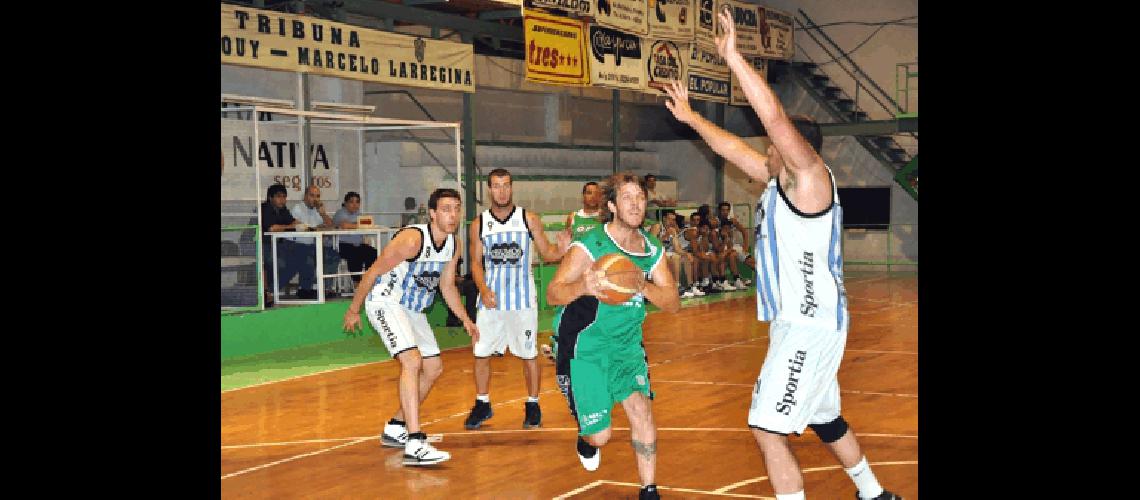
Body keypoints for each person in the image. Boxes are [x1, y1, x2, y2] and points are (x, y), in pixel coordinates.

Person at [660, 8, 903, 500]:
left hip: (807, 326)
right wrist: (692, 118)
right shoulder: (780, 184)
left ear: (790, 148)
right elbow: (733, 150)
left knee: (766, 428)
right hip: (807, 324)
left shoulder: (809, 178)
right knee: (825, 417)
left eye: (772, 145)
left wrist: (734, 58)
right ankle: (874, 494)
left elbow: (771, 115)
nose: (764, 148)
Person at [547, 172, 680, 500]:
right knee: (601, 437)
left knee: (642, 411)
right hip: (587, 346)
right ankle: (586, 438)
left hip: (627, 346)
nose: (636, 204)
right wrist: (583, 286)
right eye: (628, 198)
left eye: (640, 198)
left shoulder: (651, 249)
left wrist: (641, 283)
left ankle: (649, 490)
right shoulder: (591, 243)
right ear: (612, 205)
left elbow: (673, 302)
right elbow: (553, 293)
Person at [342, 188, 478, 466]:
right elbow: (373, 272)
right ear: (432, 213)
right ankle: (415, 441)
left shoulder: (454, 243)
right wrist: (354, 309)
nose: (452, 215)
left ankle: (395, 427)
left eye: (456, 208)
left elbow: (447, 285)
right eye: (446, 209)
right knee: (412, 361)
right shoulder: (412, 239)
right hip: (386, 301)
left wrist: (465, 319)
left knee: (433, 367)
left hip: (413, 309)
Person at [465, 168, 572, 430]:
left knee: (528, 354)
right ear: (489, 190)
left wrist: (563, 248)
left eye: (506, 185)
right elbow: (476, 264)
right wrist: (482, 288)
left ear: (512, 188)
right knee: (481, 353)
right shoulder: (479, 224)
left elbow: (547, 253)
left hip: (522, 300)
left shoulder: (529, 219)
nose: (502, 191)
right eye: (496, 186)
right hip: (491, 301)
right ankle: (482, 403)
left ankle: (533, 404)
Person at [289, 185, 339, 299]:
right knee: (308, 256)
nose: (315, 199)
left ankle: (326, 288)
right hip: (297, 244)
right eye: (312, 195)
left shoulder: (318, 210)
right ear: (305, 196)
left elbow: (331, 226)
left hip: (315, 244)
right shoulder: (298, 208)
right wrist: (317, 227)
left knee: (333, 255)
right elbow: (299, 226)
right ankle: (305, 288)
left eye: (318, 196)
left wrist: (323, 214)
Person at [260, 184, 302, 306]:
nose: (282, 200)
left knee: (296, 261)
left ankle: (270, 292)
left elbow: (294, 222)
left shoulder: (283, 209)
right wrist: (291, 226)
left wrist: (297, 224)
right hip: (259, 245)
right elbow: (272, 228)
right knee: (277, 262)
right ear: (270, 197)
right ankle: (265, 293)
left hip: (276, 245)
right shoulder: (265, 208)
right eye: (279, 197)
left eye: (284, 197)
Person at [649, 211, 701, 298]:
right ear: (664, 218)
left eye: (673, 220)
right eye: (670, 219)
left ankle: (689, 286)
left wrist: (686, 253)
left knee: (686, 257)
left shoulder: (672, 230)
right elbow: (651, 245)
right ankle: (677, 287)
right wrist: (665, 236)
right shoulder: (657, 227)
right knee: (675, 257)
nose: (672, 222)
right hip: (655, 254)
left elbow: (677, 248)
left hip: (667, 254)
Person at [333, 191, 378, 285]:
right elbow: (345, 225)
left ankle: (368, 281)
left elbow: (369, 224)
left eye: (357, 202)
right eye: (351, 202)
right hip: (343, 245)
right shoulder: (340, 213)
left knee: (373, 253)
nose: (355, 205)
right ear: (345, 203)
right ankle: (357, 282)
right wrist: (360, 224)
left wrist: (358, 224)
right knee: (355, 255)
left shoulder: (359, 214)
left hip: (359, 244)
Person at [718, 202, 753, 290]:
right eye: (723, 210)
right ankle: (737, 280)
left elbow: (744, 232)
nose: (725, 212)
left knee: (751, 262)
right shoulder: (716, 221)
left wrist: (745, 247)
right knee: (732, 255)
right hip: (723, 247)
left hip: (733, 246)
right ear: (719, 211)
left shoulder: (733, 221)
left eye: (727, 210)